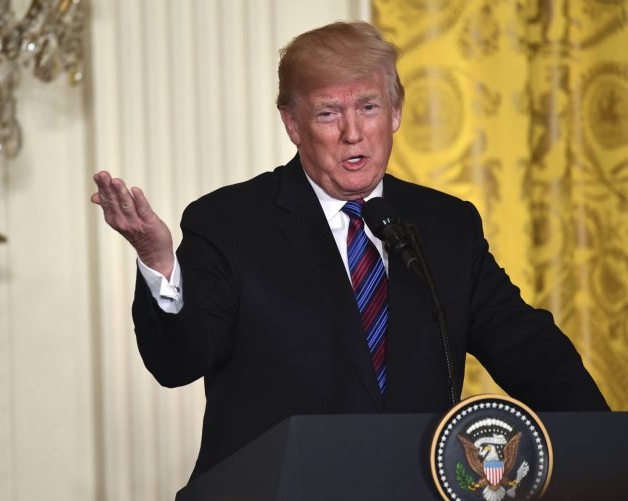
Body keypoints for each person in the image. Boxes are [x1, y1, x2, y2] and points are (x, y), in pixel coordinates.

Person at [91, 21, 608, 480]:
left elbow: (529, 349)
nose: (353, 133)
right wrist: (159, 263)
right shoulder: (228, 223)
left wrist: (605, 451)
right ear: (293, 125)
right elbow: (180, 360)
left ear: (396, 111)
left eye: (368, 107)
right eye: (328, 113)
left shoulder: (446, 225)